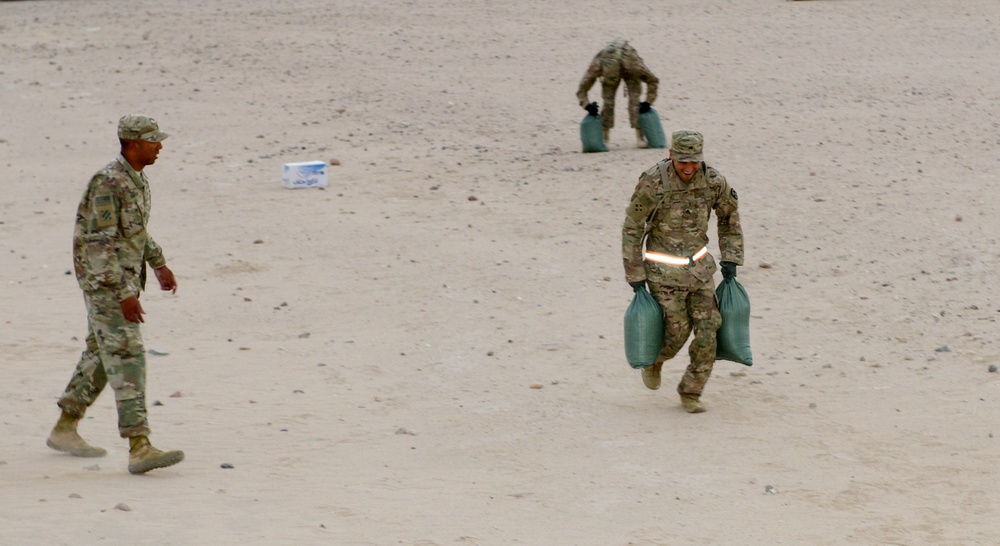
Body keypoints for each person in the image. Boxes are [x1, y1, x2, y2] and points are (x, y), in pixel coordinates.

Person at [47, 114, 185, 474]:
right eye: (154, 140)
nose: (160, 146)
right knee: (127, 354)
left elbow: (135, 232)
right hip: (105, 282)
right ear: (133, 144)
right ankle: (139, 445)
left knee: (101, 353)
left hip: (120, 279)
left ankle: (65, 427)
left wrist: (158, 263)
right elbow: (99, 243)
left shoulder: (136, 179)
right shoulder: (109, 182)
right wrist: (124, 292)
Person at [621, 130, 744, 413]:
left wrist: (731, 257)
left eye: (694, 162)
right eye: (683, 161)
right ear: (671, 155)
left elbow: (729, 216)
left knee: (709, 328)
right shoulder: (653, 183)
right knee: (677, 332)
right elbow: (632, 227)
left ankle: (691, 392)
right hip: (663, 274)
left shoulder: (713, 181)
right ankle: (656, 360)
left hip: (699, 271)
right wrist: (634, 274)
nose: (689, 168)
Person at [576, 39, 660, 147]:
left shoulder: (634, 65)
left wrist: (648, 102)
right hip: (610, 70)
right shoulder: (599, 62)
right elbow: (582, 88)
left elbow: (653, 81)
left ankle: (640, 134)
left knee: (635, 100)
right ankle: (604, 134)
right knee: (608, 102)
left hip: (630, 69)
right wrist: (587, 105)